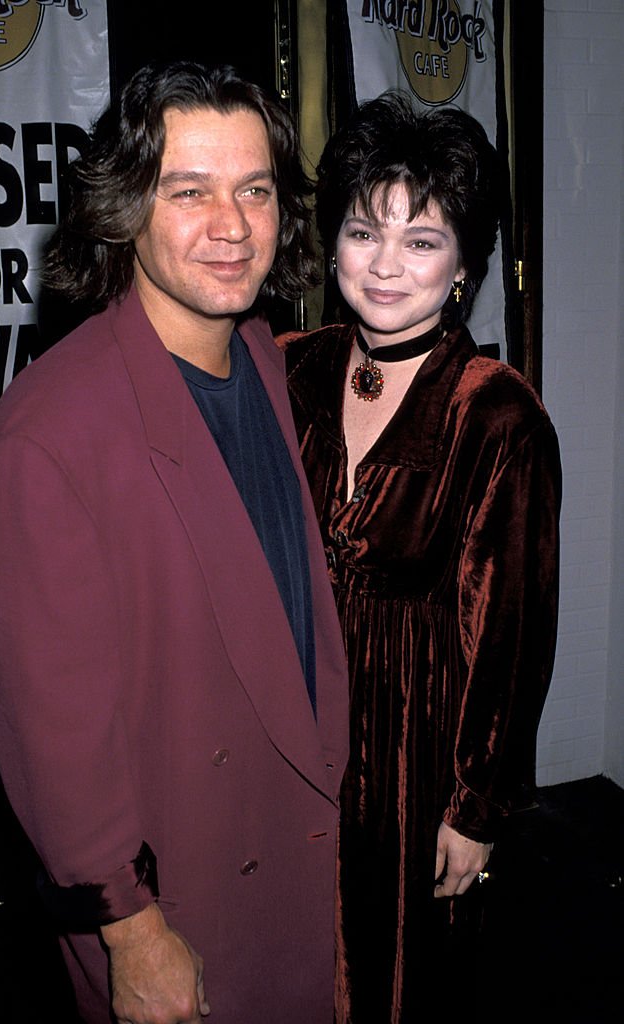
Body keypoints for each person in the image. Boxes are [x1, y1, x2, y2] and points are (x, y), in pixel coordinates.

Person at [0, 61, 349, 1024]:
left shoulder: (263, 355)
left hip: (290, 847)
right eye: (190, 191)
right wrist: (129, 929)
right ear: (126, 207)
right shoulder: (48, 432)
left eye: (255, 190)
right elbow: (51, 732)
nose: (232, 226)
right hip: (180, 898)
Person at [282, 91, 561, 1022]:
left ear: (466, 265)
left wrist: (476, 807)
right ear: (332, 244)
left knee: (397, 982)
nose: (386, 266)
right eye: (365, 233)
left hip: (413, 753)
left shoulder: (498, 414)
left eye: (422, 240)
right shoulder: (287, 368)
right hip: (285, 733)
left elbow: (511, 630)